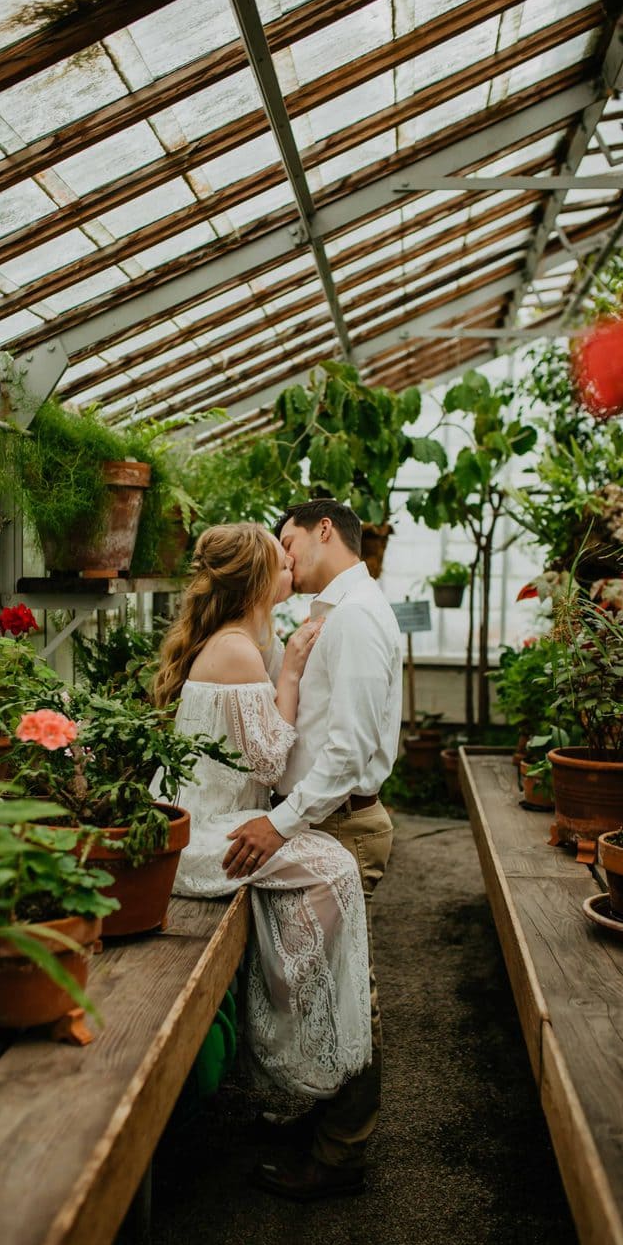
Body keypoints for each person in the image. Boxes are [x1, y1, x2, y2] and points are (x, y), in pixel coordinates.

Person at [154, 522, 373, 1124]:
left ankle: (305, 1022)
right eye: (281, 563)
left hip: (229, 815)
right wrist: (295, 673)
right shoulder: (234, 650)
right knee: (333, 867)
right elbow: (271, 759)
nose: (292, 568)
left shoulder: (251, 637)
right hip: (203, 829)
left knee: (330, 867)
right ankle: (292, 1032)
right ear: (257, 579)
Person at [224, 499, 402, 1200]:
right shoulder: (340, 610)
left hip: (339, 827)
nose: (283, 555)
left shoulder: (355, 616)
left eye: (289, 539)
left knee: (352, 990)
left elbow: (349, 749)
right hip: (325, 823)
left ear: (325, 529)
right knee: (332, 983)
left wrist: (282, 822)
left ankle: (340, 1155)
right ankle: (329, 1122)